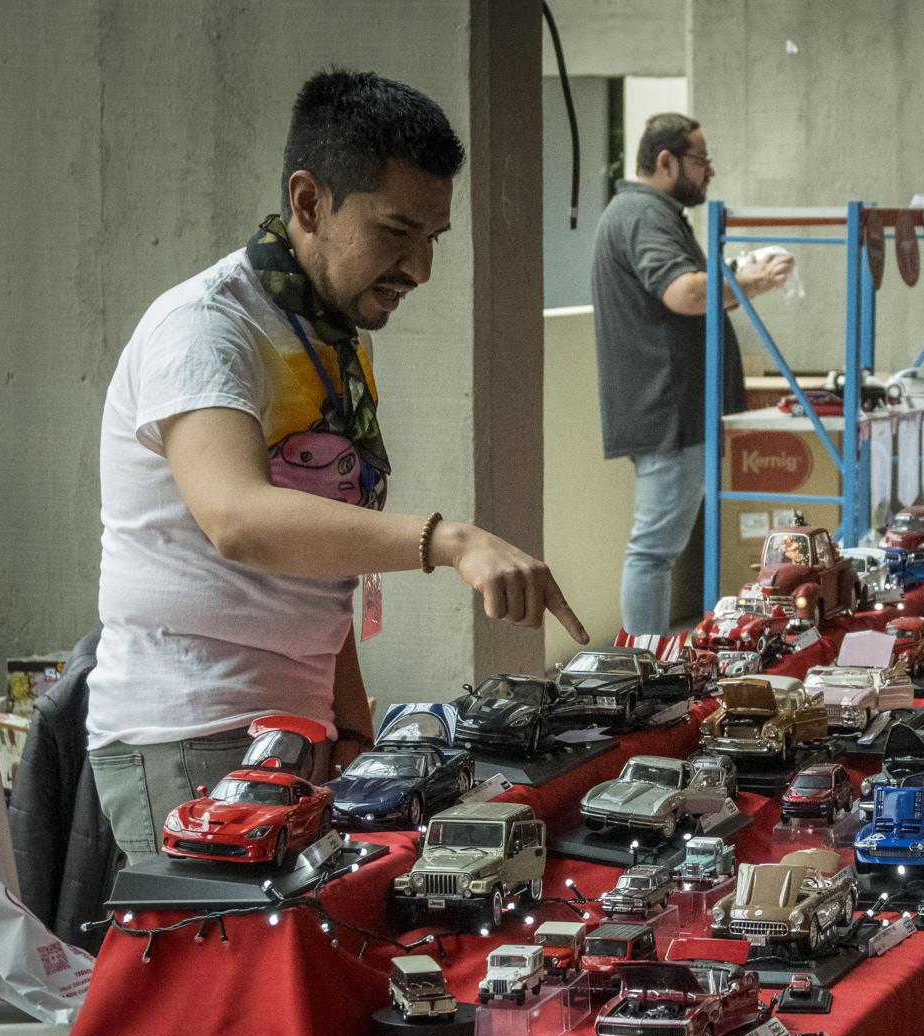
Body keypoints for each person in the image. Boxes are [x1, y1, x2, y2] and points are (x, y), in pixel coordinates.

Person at [86, 70, 587, 860]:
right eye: (396, 232)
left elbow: (318, 567)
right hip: (192, 734)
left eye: (433, 239)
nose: (420, 269)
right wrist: (449, 540)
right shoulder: (204, 328)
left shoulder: (324, 339)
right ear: (309, 201)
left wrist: (351, 728)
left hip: (296, 729)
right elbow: (240, 520)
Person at [592, 112, 793, 635]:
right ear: (665, 161)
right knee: (654, 550)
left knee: (657, 547)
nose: (708, 174)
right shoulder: (643, 214)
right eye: (701, 161)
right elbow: (685, 292)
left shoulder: (645, 211)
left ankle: (649, 662)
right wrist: (749, 281)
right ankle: (647, 666)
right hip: (669, 409)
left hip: (672, 406)